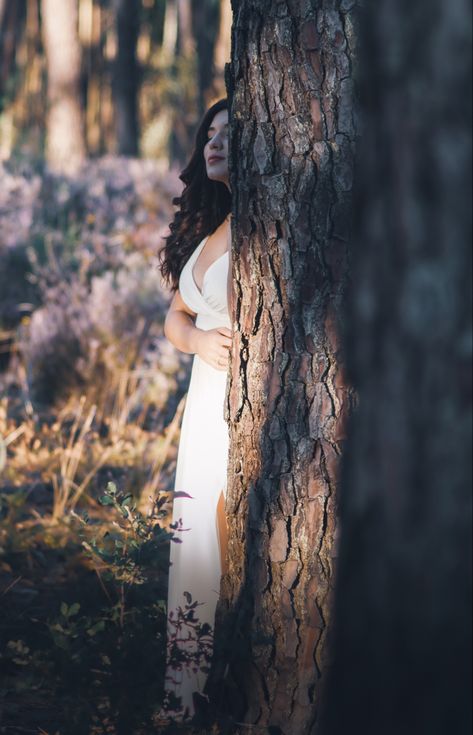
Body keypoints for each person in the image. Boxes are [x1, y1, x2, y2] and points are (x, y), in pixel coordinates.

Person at [158, 98, 232, 721]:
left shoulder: (275, 218)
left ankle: (225, 682)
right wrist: (199, 339)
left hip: (241, 408)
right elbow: (174, 317)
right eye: (210, 133)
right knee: (195, 540)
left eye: (231, 134)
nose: (214, 143)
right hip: (201, 406)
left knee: (226, 536)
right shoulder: (214, 225)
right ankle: (186, 697)